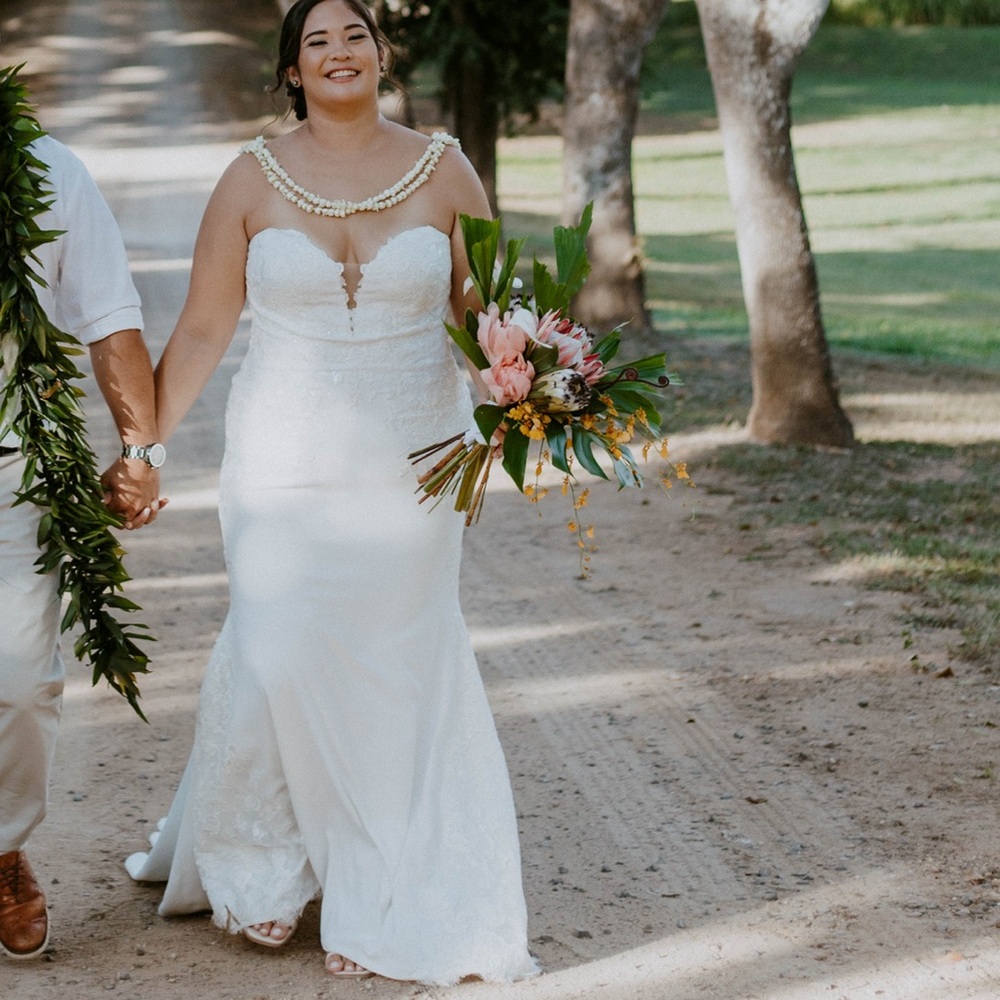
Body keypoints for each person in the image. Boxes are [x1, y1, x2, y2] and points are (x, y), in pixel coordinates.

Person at [125, 0, 537, 983]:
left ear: (380, 54)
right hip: (280, 460)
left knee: (394, 662)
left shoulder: (446, 168)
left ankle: (379, 880)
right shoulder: (248, 178)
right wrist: (142, 443)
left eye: (355, 35)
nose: (340, 51)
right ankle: (262, 865)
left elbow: (484, 317)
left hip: (414, 461)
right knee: (280, 644)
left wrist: (534, 381)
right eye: (318, 41)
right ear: (293, 69)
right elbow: (198, 334)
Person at [1, 131, 163, 960]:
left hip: (10, 467)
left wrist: (141, 451)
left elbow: (108, 316)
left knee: (22, 684)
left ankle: (0, 847)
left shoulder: (47, 169)